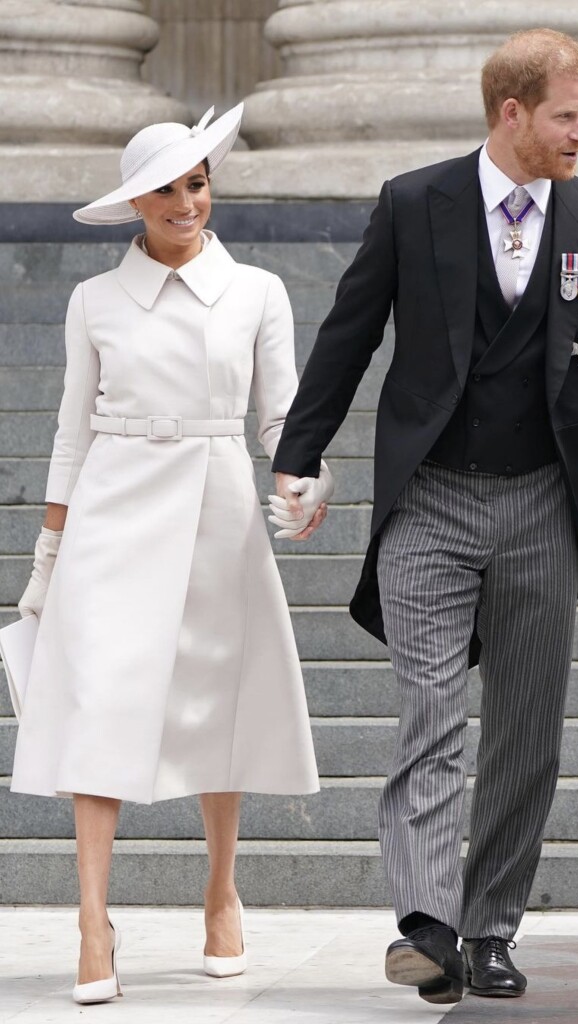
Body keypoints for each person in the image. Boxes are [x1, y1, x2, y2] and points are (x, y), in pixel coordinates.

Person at [269, 28, 578, 1006]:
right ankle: (426, 925)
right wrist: (299, 450)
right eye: (566, 115)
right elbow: (348, 332)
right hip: (429, 499)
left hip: (541, 500)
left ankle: (490, 929)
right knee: (429, 712)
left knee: (525, 733)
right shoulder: (415, 203)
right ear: (512, 113)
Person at [11, 104, 327, 1005]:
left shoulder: (259, 290)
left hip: (218, 507)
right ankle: (92, 920)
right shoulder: (93, 300)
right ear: (135, 204)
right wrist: (47, 554)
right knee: (99, 704)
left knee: (216, 704)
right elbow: (71, 433)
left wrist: (305, 478)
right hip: (110, 508)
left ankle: (222, 892)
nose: (187, 202)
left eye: (198, 183)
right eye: (167, 190)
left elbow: (280, 415)